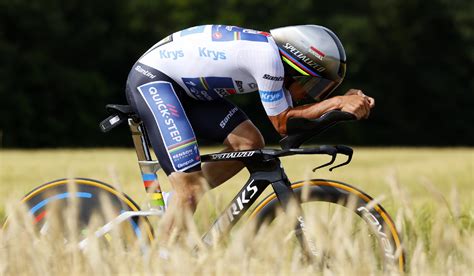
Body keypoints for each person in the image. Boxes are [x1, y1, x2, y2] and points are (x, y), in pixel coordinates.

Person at [125, 24, 375, 235]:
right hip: (155, 80)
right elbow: (283, 124)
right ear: (298, 66)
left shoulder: (271, 54)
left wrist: (341, 111)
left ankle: (177, 202)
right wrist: (337, 102)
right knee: (187, 190)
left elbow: (293, 135)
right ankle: (158, 263)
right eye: (312, 84)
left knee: (249, 143)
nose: (310, 94)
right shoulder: (267, 58)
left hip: (187, 90)